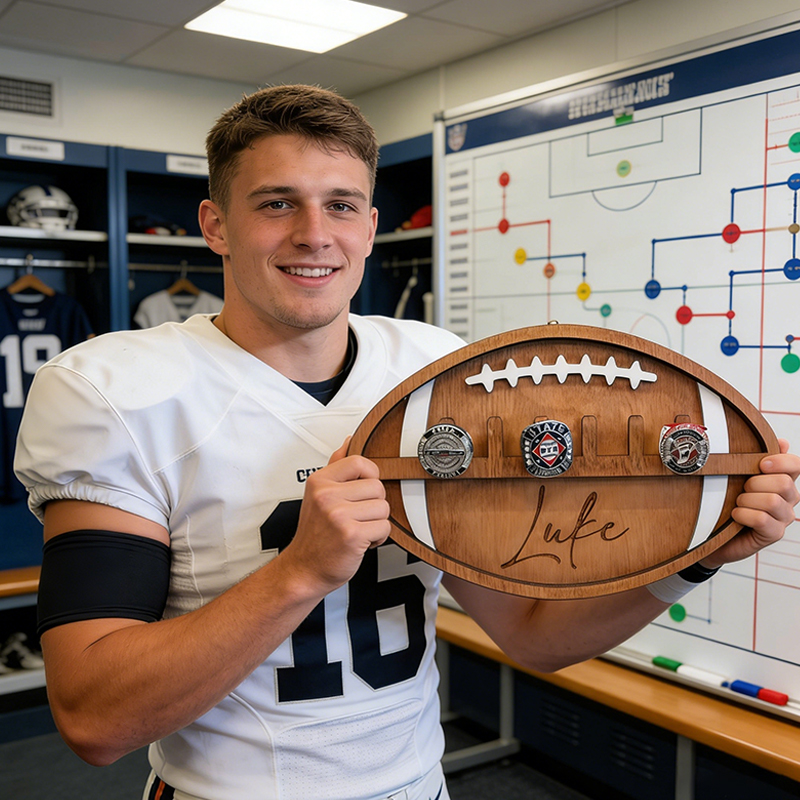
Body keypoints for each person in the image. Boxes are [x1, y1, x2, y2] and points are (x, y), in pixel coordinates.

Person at [14, 85, 800, 800]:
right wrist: (301, 571)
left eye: (341, 205)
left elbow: (533, 635)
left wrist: (699, 557)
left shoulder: (432, 375)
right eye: (277, 204)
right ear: (215, 225)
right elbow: (95, 719)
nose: (314, 235)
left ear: (370, 227)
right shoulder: (113, 391)